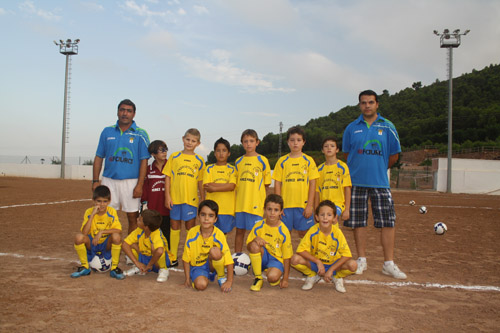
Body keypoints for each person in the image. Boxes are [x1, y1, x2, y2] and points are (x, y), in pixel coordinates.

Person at [342, 89, 407, 279]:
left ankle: (388, 263)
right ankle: (361, 259)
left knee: (388, 222)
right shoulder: (351, 128)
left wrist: (377, 168)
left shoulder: (388, 127)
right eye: (363, 102)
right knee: (358, 222)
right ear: (359, 105)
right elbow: (347, 155)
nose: (367, 105)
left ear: (377, 104)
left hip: (380, 183)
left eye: (370, 102)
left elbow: (394, 156)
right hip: (355, 183)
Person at [92, 99, 150, 239]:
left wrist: (140, 185)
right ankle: (108, 250)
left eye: (129, 111)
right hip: (109, 180)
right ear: (117, 112)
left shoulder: (141, 134)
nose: (125, 113)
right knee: (107, 216)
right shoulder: (107, 132)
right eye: (122, 110)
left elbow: (144, 161)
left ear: (134, 114)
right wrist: (95, 180)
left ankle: (130, 252)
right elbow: (99, 157)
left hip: (131, 182)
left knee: (132, 217)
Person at [291, 200, 357, 293]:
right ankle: (312, 275)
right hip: (316, 265)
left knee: (353, 265)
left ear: (335, 218)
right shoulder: (313, 230)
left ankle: (337, 277)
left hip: (333, 264)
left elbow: (347, 255)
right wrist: (317, 262)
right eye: (322, 215)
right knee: (294, 259)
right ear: (317, 217)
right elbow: (300, 250)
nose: (325, 218)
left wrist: (331, 269)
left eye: (329, 215)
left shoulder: (337, 233)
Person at [163, 128, 205, 267]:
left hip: (191, 200)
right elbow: (167, 177)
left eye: (193, 141)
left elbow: (200, 182)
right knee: (174, 227)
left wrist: (203, 200)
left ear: (198, 143)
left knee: (190, 228)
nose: (189, 143)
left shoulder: (199, 160)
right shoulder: (174, 157)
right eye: (188, 139)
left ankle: (189, 254)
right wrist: (167, 196)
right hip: (175, 199)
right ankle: (173, 257)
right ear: (183, 139)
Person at [273, 126, 319, 238]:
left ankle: (304, 256)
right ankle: (285, 256)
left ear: (304, 142)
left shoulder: (309, 161)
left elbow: (313, 184)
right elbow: (277, 183)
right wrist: (279, 206)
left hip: (302, 206)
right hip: (286, 206)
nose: (295, 143)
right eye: (292, 140)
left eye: (298, 140)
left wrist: (309, 206)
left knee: (304, 234)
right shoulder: (282, 161)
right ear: (288, 142)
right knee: (284, 234)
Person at [71, 185, 125, 280]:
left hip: (105, 244)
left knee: (116, 237)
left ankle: (114, 268)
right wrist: (92, 215)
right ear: (93, 201)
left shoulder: (111, 212)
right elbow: (84, 232)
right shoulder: (89, 212)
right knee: (78, 237)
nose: (102, 204)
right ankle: (85, 267)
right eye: (99, 201)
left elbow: (118, 230)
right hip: (92, 243)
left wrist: (101, 232)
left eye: (105, 201)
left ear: (109, 201)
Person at [182, 200, 234, 292]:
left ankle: (221, 276)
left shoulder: (219, 234)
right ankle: (201, 276)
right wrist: (187, 279)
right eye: (203, 215)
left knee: (215, 251)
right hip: (198, 266)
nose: (206, 219)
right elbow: (186, 258)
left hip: (213, 264)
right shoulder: (192, 233)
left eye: (210, 216)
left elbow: (228, 259)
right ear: (198, 216)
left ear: (215, 219)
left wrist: (229, 281)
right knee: (201, 285)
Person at [234, 129, 271, 252]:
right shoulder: (238, 162)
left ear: (257, 142)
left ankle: (257, 261)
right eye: (245, 141)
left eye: (251, 141)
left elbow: (266, 184)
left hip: (255, 204)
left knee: (256, 234)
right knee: (239, 231)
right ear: (242, 143)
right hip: (240, 204)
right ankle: (238, 257)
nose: (248, 144)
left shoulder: (263, 160)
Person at [246, 194, 292, 292]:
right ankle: (258, 278)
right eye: (269, 209)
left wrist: (285, 279)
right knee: (254, 245)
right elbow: (248, 246)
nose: (272, 213)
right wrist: (255, 239)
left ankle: (272, 272)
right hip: (263, 256)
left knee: (272, 278)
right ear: (264, 210)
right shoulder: (259, 226)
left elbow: (287, 256)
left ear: (281, 212)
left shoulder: (283, 231)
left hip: (276, 259)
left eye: (276, 210)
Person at [122, 209, 173, 282]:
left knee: (156, 248)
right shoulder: (139, 230)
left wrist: (150, 265)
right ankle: (139, 267)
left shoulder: (156, 233)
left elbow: (159, 251)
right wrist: (137, 262)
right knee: (131, 245)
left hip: (157, 262)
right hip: (145, 257)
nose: (137, 219)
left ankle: (163, 269)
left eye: (139, 220)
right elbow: (124, 244)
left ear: (146, 226)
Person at [203, 137, 237, 234]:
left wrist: (214, 187)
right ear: (214, 153)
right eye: (218, 151)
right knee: (210, 233)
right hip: (211, 209)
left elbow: (232, 187)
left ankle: (221, 250)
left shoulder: (232, 169)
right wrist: (225, 185)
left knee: (222, 234)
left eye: (224, 150)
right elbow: (207, 186)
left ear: (229, 153)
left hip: (227, 209)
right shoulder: (209, 168)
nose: (221, 154)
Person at [141, 140, 170, 249]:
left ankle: (168, 256)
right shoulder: (148, 170)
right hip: (153, 209)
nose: (164, 152)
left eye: (165, 149)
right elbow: (145, 188)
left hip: (168, 209)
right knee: (154, 234)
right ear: (153, 154)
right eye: (161, 150)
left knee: (167, 234)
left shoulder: (171, 167)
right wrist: (144, 203)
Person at [315, 137, 352, 223]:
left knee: (331, 219)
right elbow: (317, 192)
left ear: (337, 150)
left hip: (338, 204)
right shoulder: (319, 169)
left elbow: (347, 188)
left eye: (332, 146)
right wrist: (316, 209)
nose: (329, 148)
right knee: (325, 227)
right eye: (326, 146)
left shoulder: (343, 167)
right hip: (323, 204)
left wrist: (347, 209)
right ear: (322, 150)